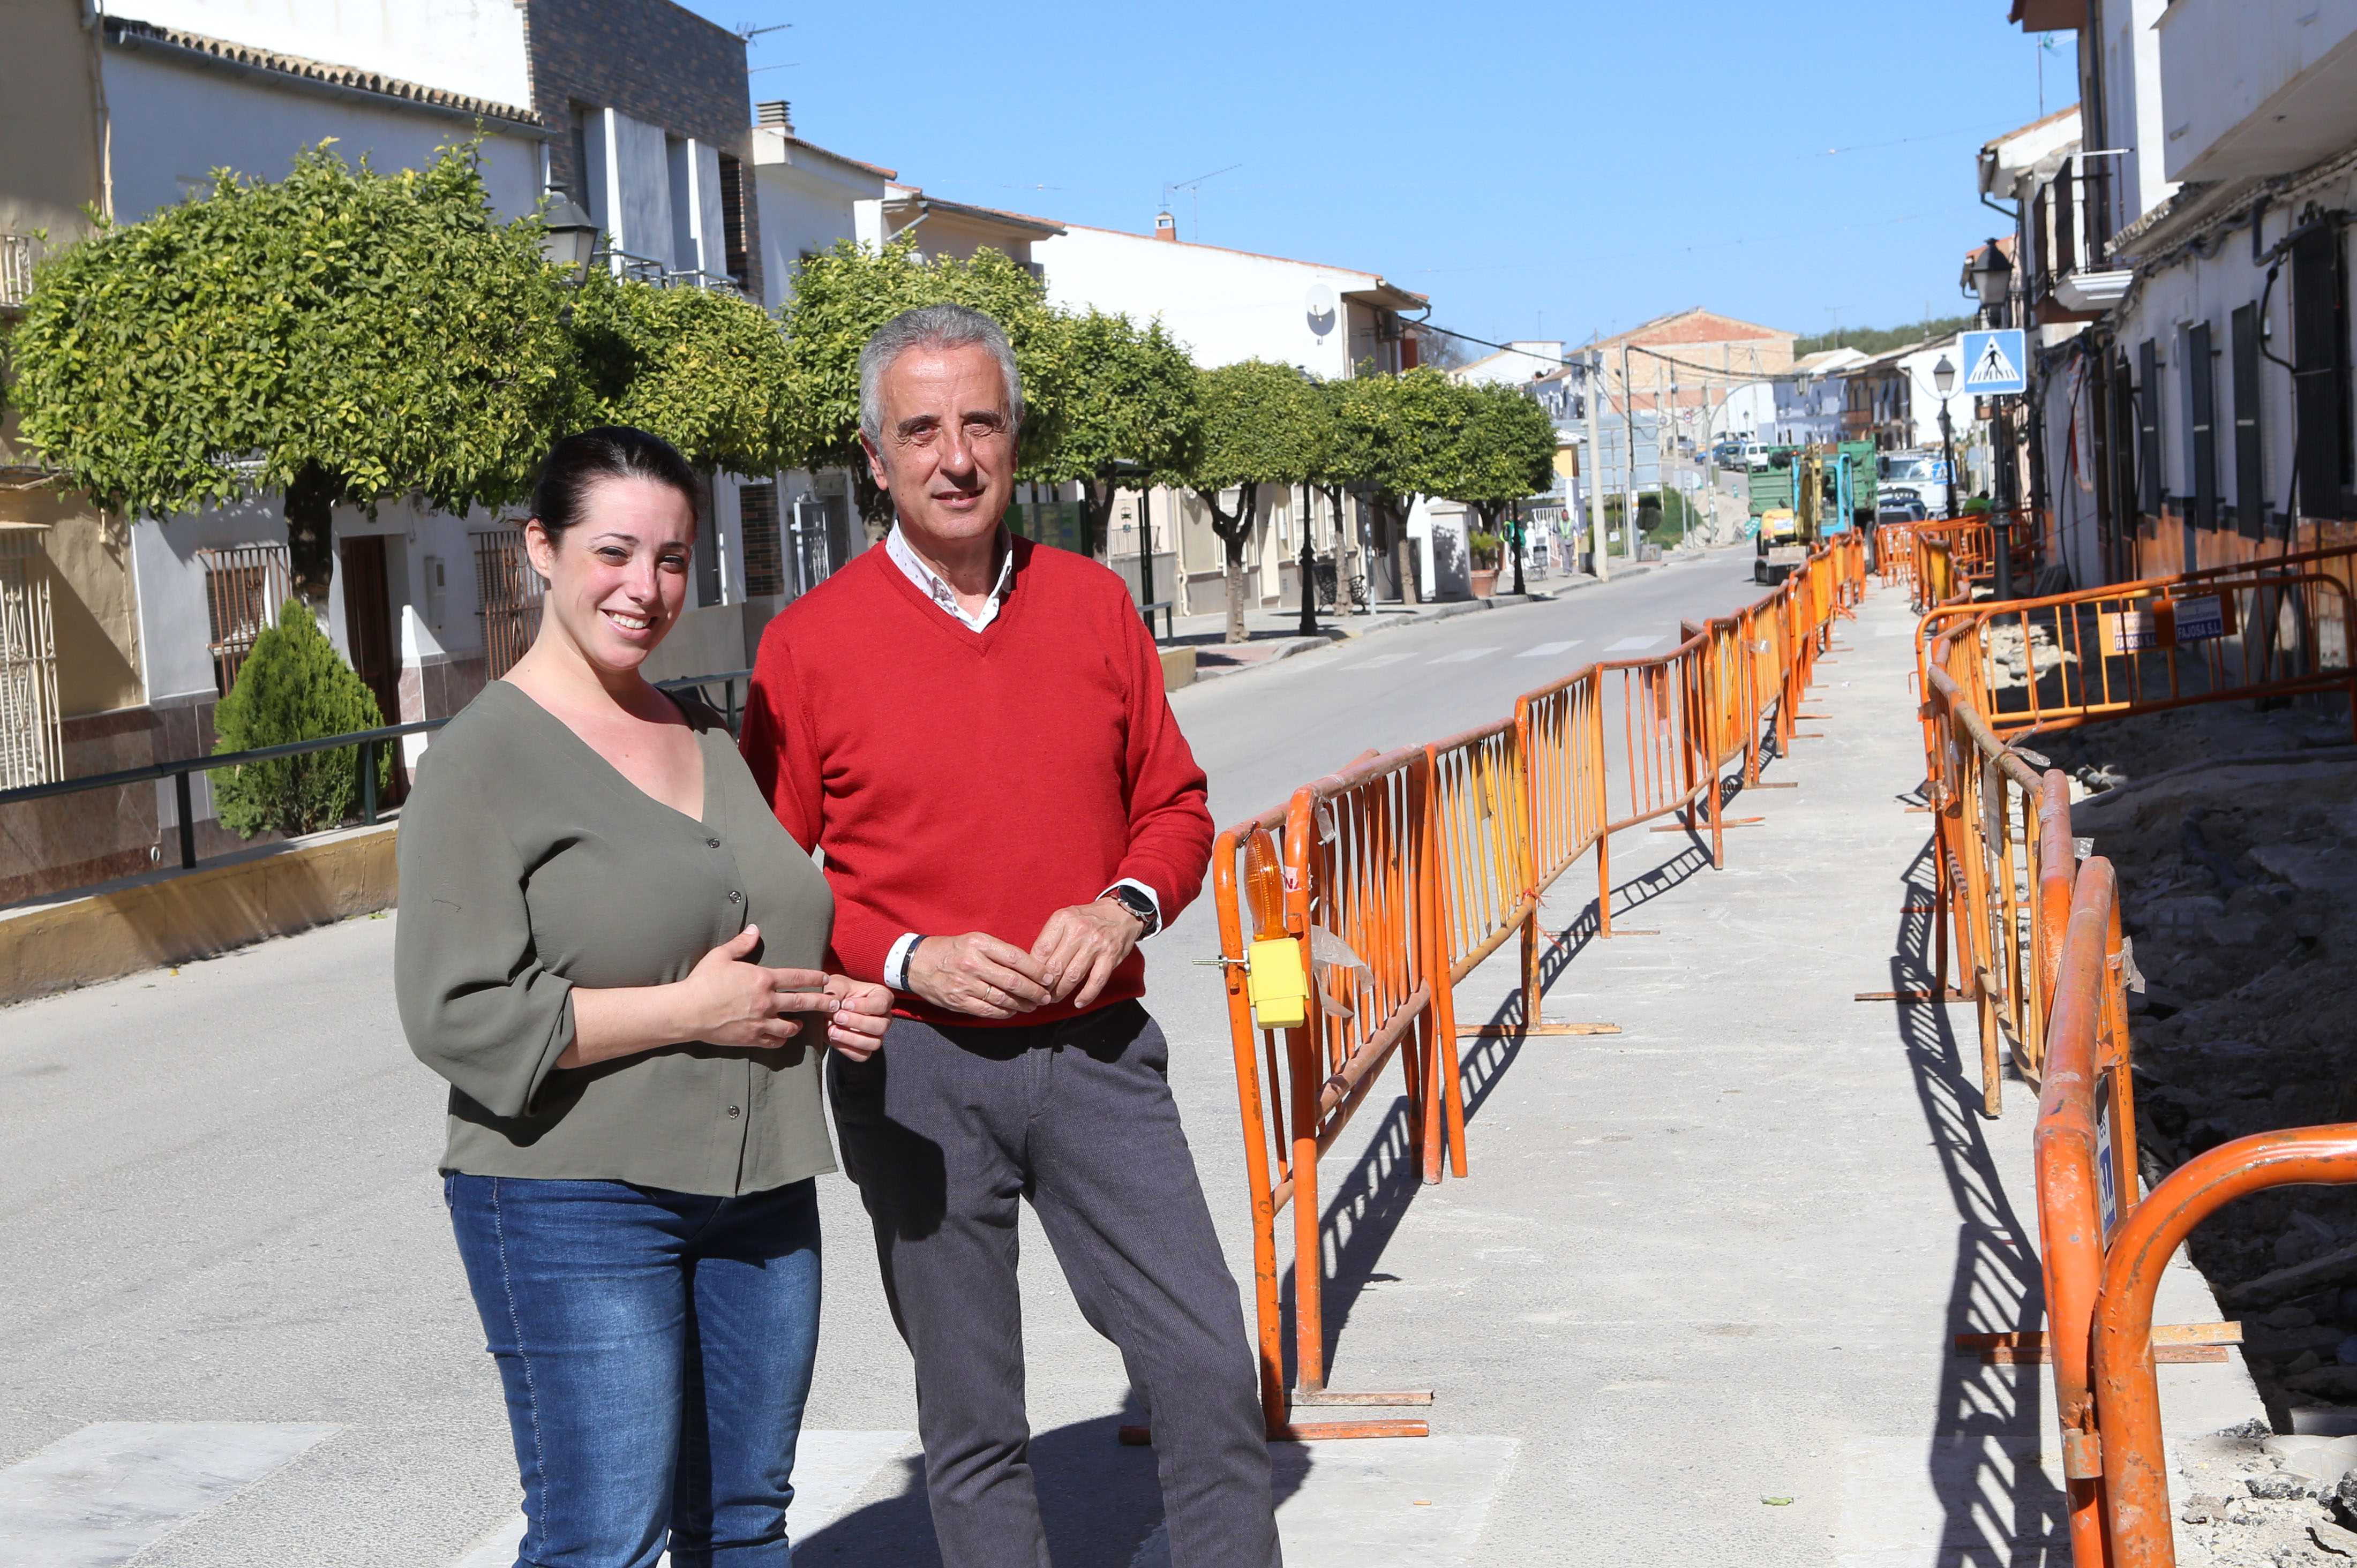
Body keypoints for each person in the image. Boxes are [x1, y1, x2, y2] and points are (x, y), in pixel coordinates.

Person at [740, 306, 1279, 1568]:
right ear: (874, 457)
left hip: (1096, 1060)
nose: (956, 456)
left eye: (980, 422)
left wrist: (1123, 906)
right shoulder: (806, 647)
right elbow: (771, 882)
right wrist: (903, 959)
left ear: (1015, 437)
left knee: (1206, 1368)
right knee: (974, 1422)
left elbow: (1176, 808)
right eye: (920, 429)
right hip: (915, 1076)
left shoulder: (1094, 606)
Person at [395, 426, 894, 1568]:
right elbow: (457, 1015)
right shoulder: (483, 760)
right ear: (541, 548)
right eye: (615, 551)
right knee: (603, 1539)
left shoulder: (709, 732)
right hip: (574, 1200)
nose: (646, 587)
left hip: (760, 1192)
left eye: (673, 558)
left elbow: (751, 924)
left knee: (744, 1528)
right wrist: (688, 1014)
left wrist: (831, 1000)